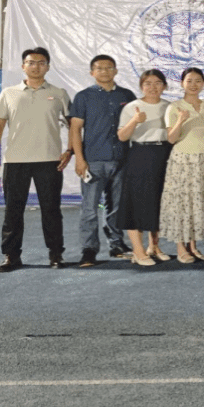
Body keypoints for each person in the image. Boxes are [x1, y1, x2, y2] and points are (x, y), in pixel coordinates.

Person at [0, 47, 74, 272]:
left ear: (48, 66)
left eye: (41, 63)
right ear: (23, 66)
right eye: (31, 62)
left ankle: (56, 254)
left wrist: (70, 150)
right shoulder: (9, 93)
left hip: (49, 160)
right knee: (13, 211)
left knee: (51, 210)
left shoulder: (59, 93)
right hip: (15, 160)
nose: (36, 67)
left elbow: (74, 125)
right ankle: (11, 256)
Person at [68, 54, 137, 267]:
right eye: (99, 68)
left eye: (109, 67)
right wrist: (79, 159)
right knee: (90, 209)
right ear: (92, 72)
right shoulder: (83, 97)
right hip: (93, 161)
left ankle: (117, 244)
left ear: (116, 71)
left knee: (117, 206)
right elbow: (75, 129)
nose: (104, 71)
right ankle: (89, 250)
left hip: (122, 160)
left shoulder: (127, 95)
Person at [160, 67, 204, 264]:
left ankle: (193, 246)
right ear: (182, 83)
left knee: (198, 203)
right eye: (189, 81)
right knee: (182, 203)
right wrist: (180, 120)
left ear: (203, 84)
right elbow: (171, 138)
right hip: (183, 160)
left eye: (198, 81)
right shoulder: (174, 107)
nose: (194, 85)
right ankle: (181, 248)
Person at [117, 69, 172, 266]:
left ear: (164, 86)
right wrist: (134, 120)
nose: (153, 87)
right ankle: (138, 251)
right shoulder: (132, 107)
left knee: (158, 202)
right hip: (140, 155)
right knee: (136, 203)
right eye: (148, 83)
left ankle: (154, 246)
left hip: (165, 154)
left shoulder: (169, 106)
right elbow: (122, 136)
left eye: (157, 83)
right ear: (141, 86)